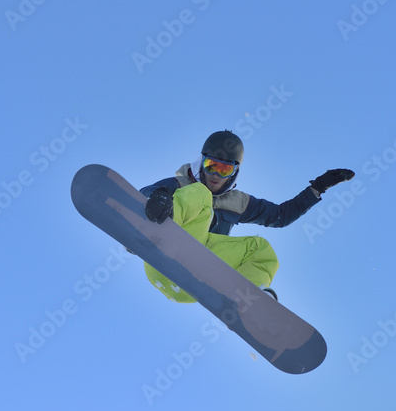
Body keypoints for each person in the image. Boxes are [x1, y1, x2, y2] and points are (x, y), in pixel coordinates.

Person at [139, 130, 353, 303]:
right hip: (163, 256)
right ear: (201, 161)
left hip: (197, 276)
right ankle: (156, 224)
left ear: (234, 171)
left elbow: (280, 216)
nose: (216, 174)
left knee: (262, 250)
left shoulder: (238, 202)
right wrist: (159, 198)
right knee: (201, 193)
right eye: (211, 165)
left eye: (225, 169)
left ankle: (247, 300)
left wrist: (318, 187)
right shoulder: (181, 184)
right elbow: (142, 195)